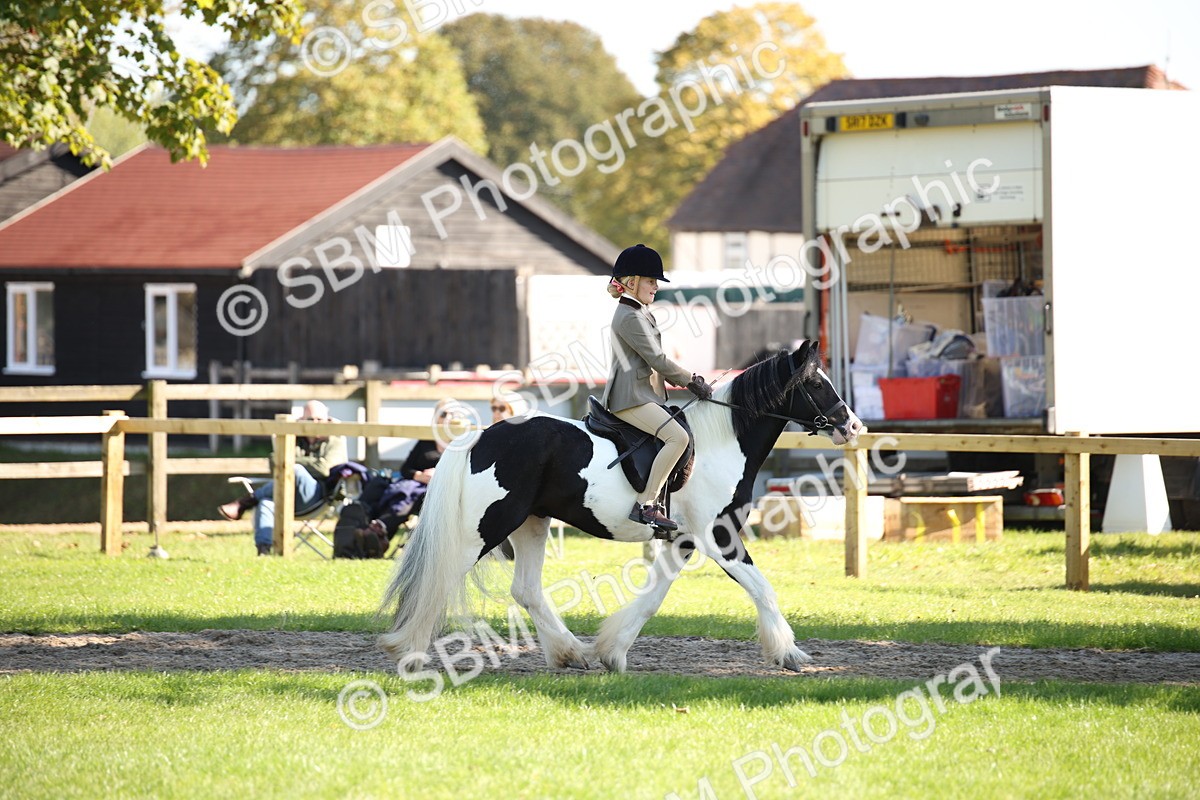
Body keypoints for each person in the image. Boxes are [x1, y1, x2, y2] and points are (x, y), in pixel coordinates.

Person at [601, 244, 712, 531]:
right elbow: (657, 359)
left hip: (643, 394)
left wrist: (683, 380)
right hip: (630, 398)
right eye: (651, 281)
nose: (656, 287)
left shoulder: (638, 311)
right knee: (678, 438)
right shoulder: (629, 316)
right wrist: (690, 380)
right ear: (632, 282)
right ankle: (645, 505)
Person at [218, 400, 348, 556]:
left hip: (318, 497)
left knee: (296, 470)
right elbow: (275, 461)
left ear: (327, 420)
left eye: (319, 419)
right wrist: (301, 462)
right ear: (301, 421)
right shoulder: (292, 436)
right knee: (266, 503)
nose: (315, 423)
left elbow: (324, 468)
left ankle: (246, 501)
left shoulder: (335, 439)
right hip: (285, 496)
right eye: (310, 419)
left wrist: (291, 462)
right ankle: (263, 550)